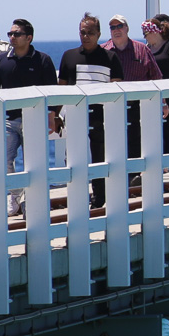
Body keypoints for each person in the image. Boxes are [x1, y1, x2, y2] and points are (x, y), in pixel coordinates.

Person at [0, 19, 57, 217]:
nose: (12, 37)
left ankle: (32, 201)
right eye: (10, 34)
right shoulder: (1, 60)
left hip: (34, 120)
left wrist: (51, 117)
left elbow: (52, 91)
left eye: (16, 34)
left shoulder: (43, 60)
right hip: (9, 119)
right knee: (5, 160)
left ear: (29, 38)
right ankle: (15, 195)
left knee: (34, 163)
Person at [58, 13, 123, 209]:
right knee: (74, 158)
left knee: (100, 158)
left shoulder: (110, 57)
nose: (86, 36)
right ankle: (77, 197)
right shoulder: (69, 56)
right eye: (83, 32)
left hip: (101, 117)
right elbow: (61, 88)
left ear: (99, 34)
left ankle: (99, 198)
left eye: (90, 33)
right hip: (74, 116)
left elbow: (117, 88)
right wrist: (55, 115)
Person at [104, 15, 160, 178]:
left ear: (127, 28)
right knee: (112, 145)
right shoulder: (104, 51)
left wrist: (162, 102)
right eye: (112, 27)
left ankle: (134, 178)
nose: (116, 30)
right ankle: (115, 179)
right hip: (111, 107)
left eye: (119, 26)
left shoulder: (142, 49)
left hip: (137, 106)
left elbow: (156, 76)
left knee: (136, 142)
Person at [143, 18, 169, 153]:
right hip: (155, 95)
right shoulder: (147, 49)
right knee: (157, 130)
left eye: (147, 33)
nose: (145, 36)